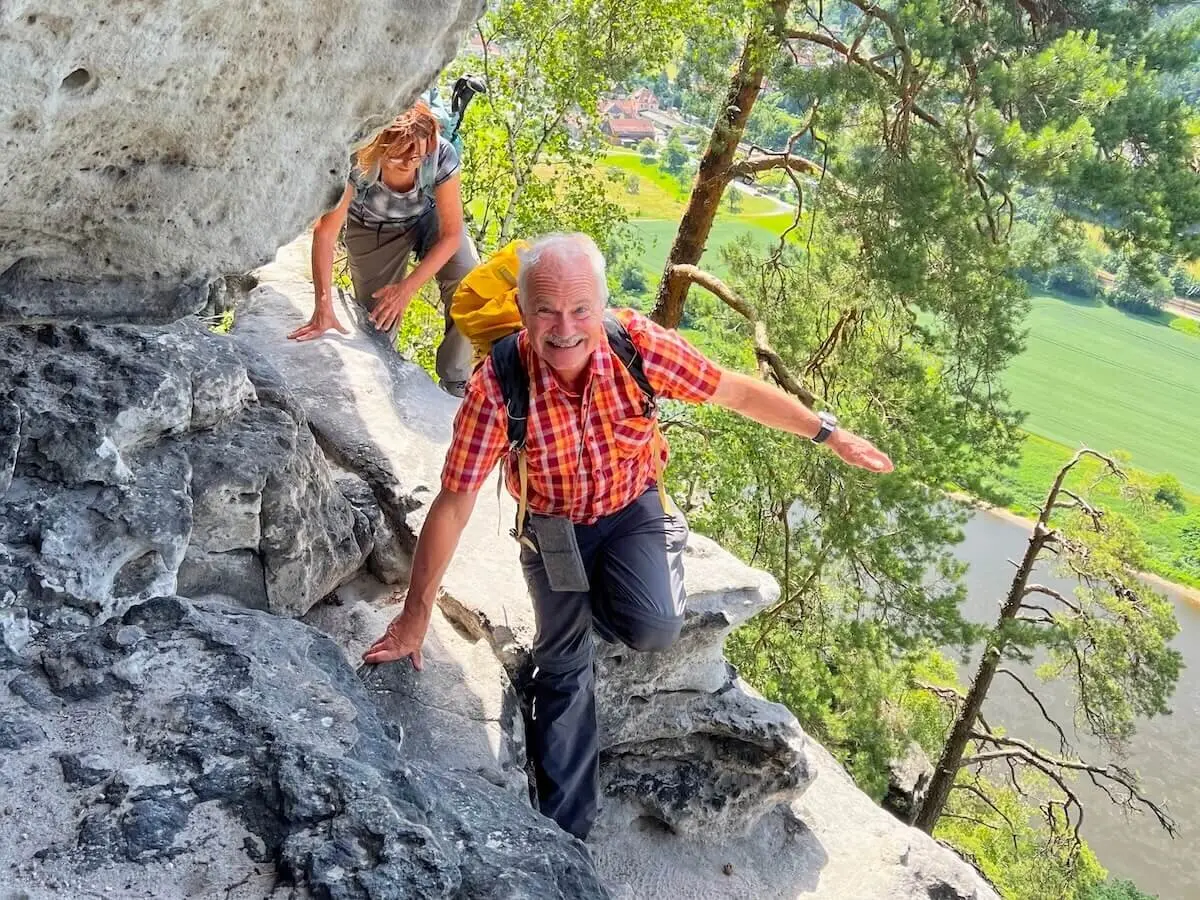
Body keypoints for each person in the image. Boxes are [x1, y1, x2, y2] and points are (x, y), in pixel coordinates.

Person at [361, 233, 893, 840]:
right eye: (546, 311)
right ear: (525, 307)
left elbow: (733, 389)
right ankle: (564, 839)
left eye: (581, 310)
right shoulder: (499, 384)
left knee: (654, 628)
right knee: (562, 666)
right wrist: (415, 615)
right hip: (554, 525)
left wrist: (827, 432)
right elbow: (455, 502)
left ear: (604, 305)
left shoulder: (636, 346)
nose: (564, 329)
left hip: (633, 506)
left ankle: (652, 556)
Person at [288, 102, 476, 396]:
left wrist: (408, 288)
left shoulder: (438, 154)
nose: (411, 163)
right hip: (373, 225)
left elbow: (452, 235)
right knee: (379, 320)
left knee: (468, 279)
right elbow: (326, 233)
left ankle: (456, 381)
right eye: (400, 158)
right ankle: (386, 376)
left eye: (417, 156)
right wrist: (322, 305)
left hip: (430, 216)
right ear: (380, 147)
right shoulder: (359, 160)